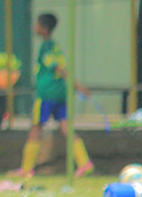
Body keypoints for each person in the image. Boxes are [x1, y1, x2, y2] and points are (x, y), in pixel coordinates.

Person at [10, 12, 94, 179]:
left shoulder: (47, 47)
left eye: (37, 24)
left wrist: (78, 86)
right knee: (66, 128)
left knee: (35, 129)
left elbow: (58, 69)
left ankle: (26, 169)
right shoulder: (55, 46)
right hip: (60, 93)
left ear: (43, 28)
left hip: (47, 94)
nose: (35, 27)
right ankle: (84, 163)